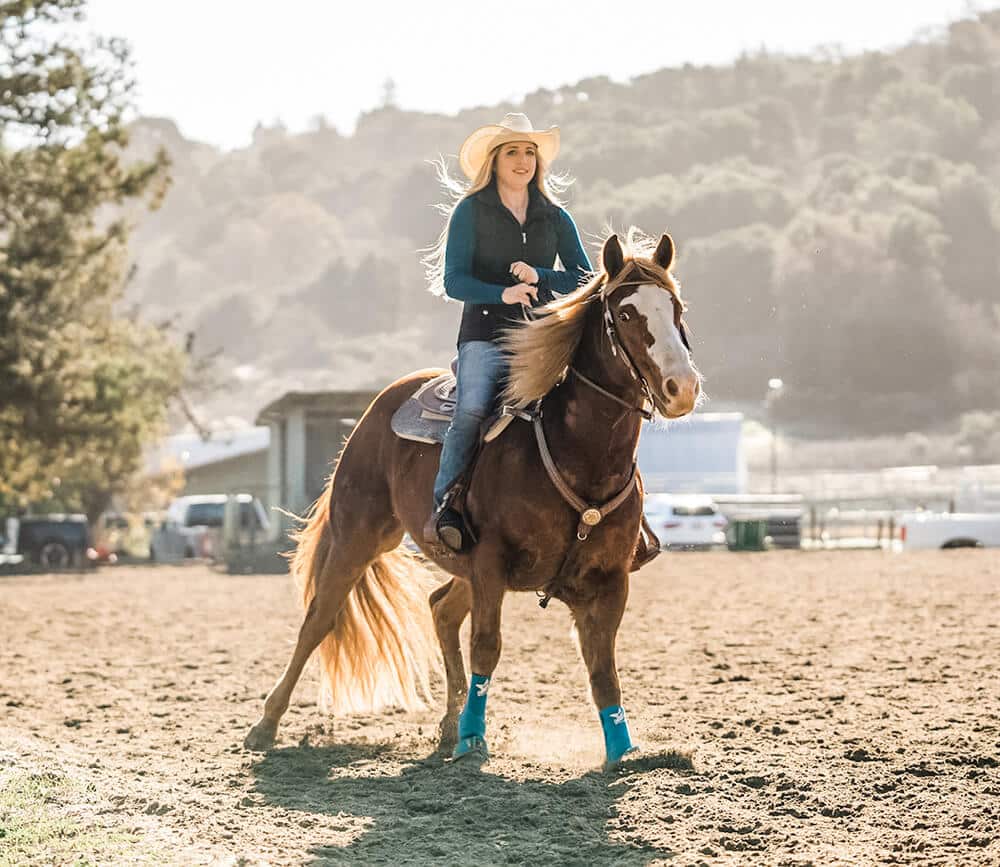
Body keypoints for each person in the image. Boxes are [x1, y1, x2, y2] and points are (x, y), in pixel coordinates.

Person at [422, 112, 593, 550]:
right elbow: (454, 281)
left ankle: (597, 515)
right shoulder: (470, 212)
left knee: (582, 413)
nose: (523, 161)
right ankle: (446, 509)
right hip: (484, 335)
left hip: (542, 338)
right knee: (471, 413)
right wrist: (503, 294)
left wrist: (539, 276)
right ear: (494, 160)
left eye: (530, 153)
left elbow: (584, 278)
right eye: (513, 152)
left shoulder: (554, 216)